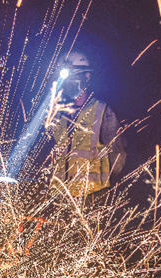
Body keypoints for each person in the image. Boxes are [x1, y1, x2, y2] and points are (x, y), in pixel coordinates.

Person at [47, 50, 126, 202]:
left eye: (74, 76)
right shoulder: (59, 113)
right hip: (60, 197)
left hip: (92, 197)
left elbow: (118, 158)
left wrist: (102, 187)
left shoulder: (103, 111)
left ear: (87, 76)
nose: (69, 82)